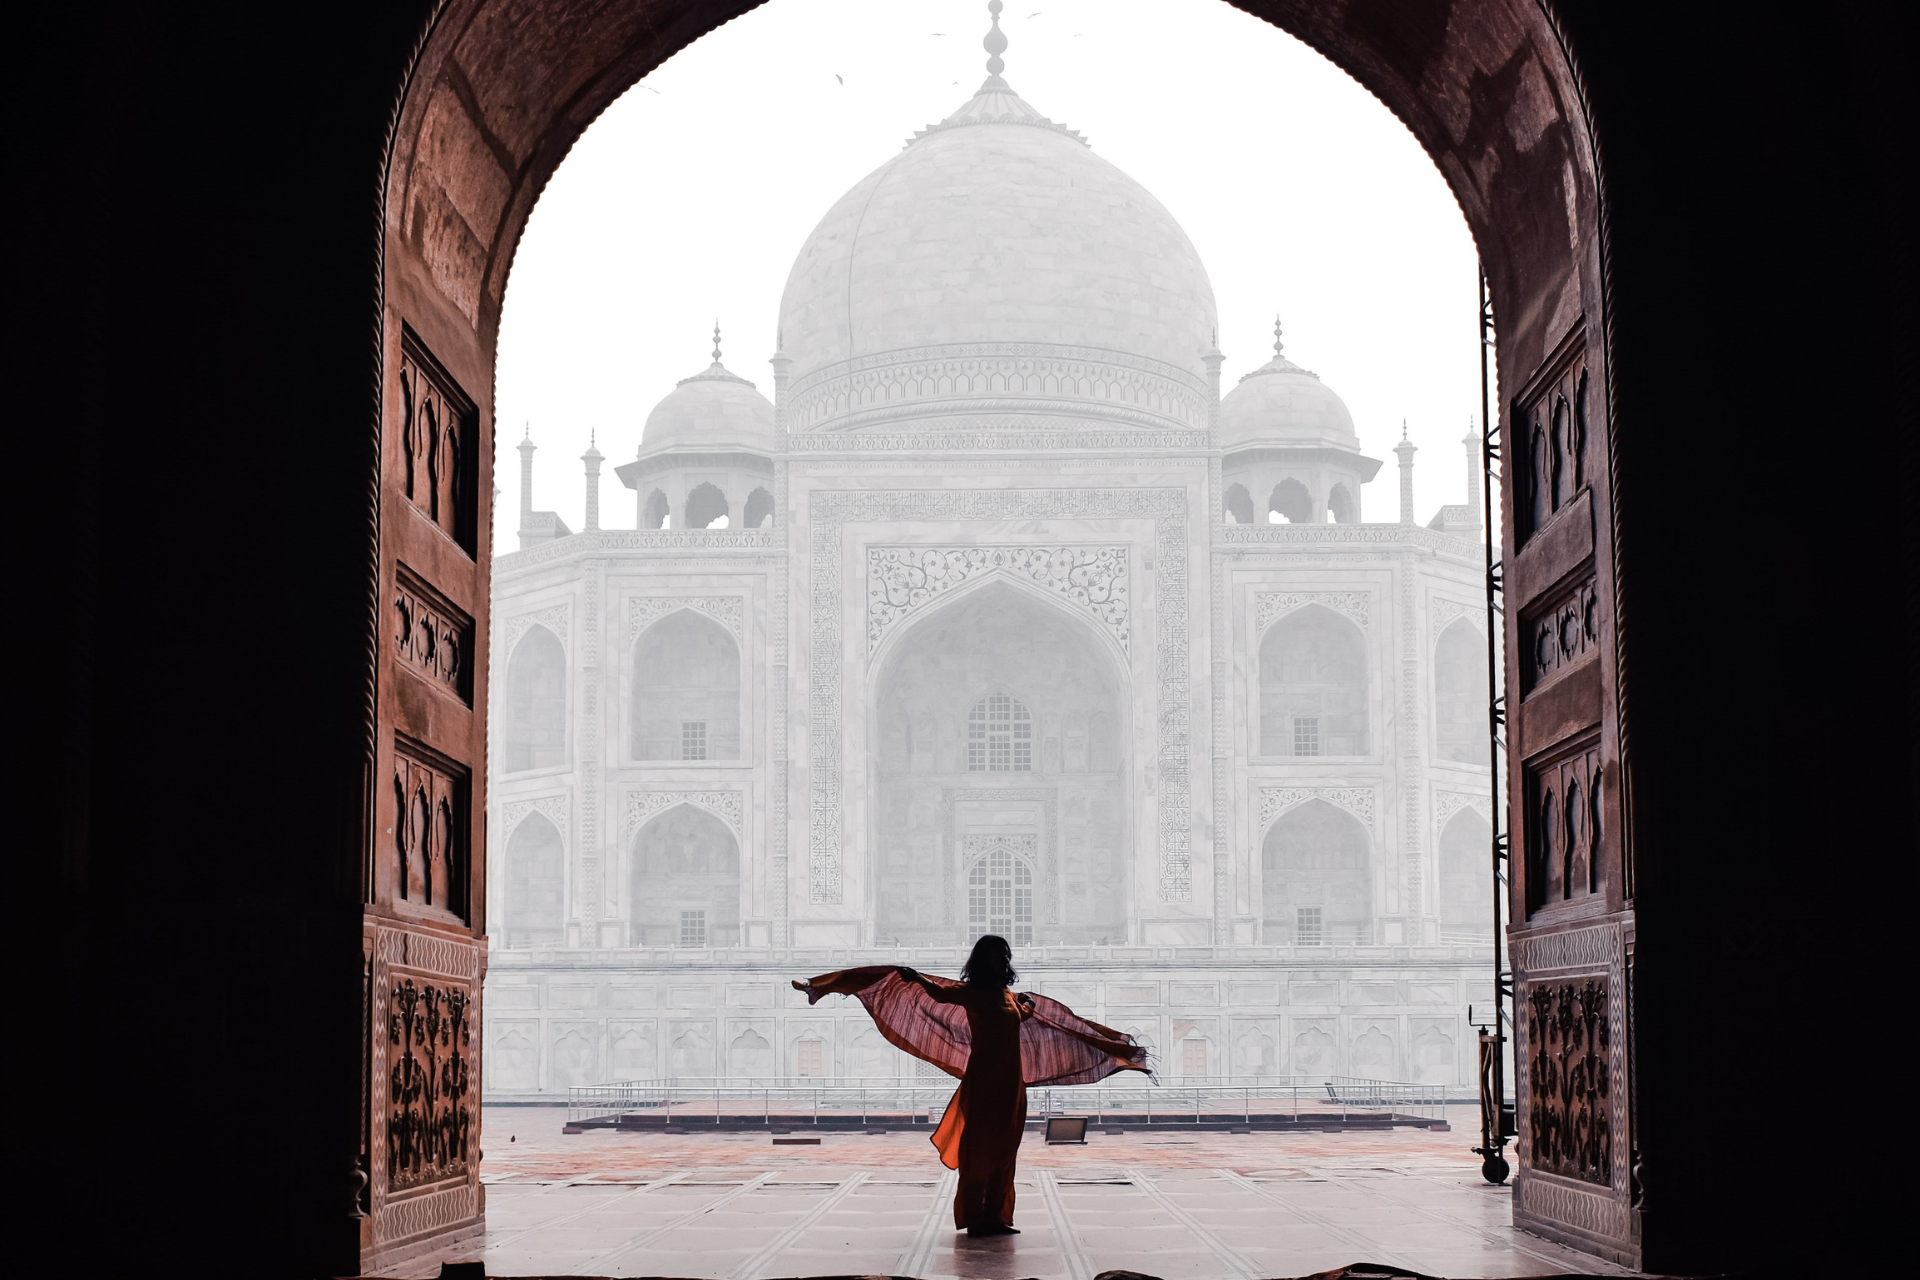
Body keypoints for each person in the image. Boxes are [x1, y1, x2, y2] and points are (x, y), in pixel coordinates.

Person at [793, 934, 1147, 1236]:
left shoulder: (1007, 995)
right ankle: (975, 1218)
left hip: (1011, 1084)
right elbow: (941, 995)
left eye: (1005, 954)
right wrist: (917, 979)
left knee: (1005, 1151)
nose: (1002, 959)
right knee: (980, 1151)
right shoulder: (972, 992)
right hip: (983, 1081)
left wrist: (1026, 1004)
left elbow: (1022, 1016)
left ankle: (995, 1217)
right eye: (997, 954)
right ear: (983, 959)